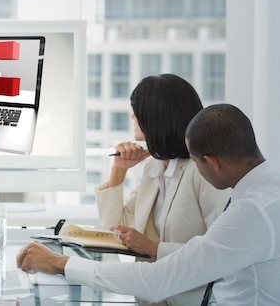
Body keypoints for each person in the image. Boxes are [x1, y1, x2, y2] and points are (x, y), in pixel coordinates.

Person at [17, 103, 280, 305]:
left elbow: (157, 280)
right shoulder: (265, 191)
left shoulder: (251, 212)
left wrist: (60, 264)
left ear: (212, 162)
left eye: (196, 162)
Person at [93, 74, 231, 305]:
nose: (132, 117)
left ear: (156, 117)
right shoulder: (154, 168)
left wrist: (154, 248)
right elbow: (115, 229)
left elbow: (221, 252)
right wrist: (119, 170)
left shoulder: (203, 173)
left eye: (137, 111)